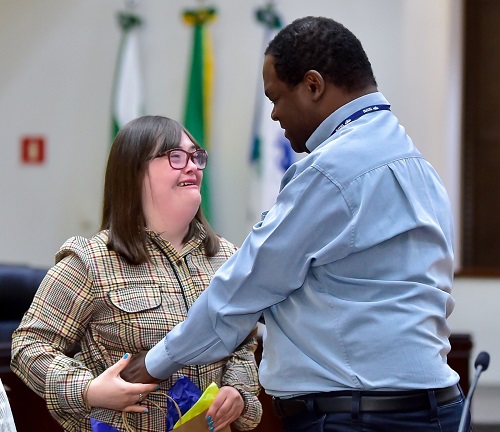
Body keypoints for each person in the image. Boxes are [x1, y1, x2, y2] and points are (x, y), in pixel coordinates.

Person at [121, 16, 469, 432]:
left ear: (313, 86)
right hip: (439, 410)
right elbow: (361, 288)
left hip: (358, 418)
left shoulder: (331, 171)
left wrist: (153, 364)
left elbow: (245, 289)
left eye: (277, 97)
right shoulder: (420, 168)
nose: (272, 115)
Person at [10, 115, 262, 432]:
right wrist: (88, 389)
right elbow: (28, 347)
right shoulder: (90, 261)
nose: (193, 167)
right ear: (135, 170)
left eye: (196, 156)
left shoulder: (229, 258)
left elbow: (244, 345)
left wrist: (237, 391)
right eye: (175, 156)